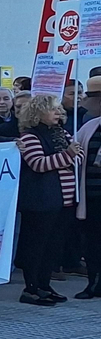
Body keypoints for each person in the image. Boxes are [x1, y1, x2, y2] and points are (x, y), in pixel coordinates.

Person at [16, 94, 78, 305]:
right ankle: (31, 288)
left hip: (65, 200)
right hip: (41, 201)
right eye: (53, 109)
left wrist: (68, 156)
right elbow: (38, 164)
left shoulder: (62, 133)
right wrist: (67, 156)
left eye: (59, 109)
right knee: (36, 246)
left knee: (53, 246)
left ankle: (44, 285)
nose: (58, 113)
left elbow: (78, 155)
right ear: (39, 112)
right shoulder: (29, 137)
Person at [75, 101, 101, 298]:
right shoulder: (90, 126)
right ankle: (93, 283)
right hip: (92, 197)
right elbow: (75, 154)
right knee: (93, 243)